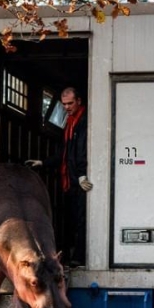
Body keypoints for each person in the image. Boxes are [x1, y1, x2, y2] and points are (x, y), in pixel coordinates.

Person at [26, 86, 92, 267]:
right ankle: (70, 256)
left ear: (79, 101)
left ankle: (79, 257)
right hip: (70, 181)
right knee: (71, 220)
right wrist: (43, 162)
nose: (67, 107)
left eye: (70, 103)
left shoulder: (85, 121)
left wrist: (82, 174)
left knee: (82, 219)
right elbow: (64, 153)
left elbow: (83, 149)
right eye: (64, 104)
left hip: (79, 181)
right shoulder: (69, 123)